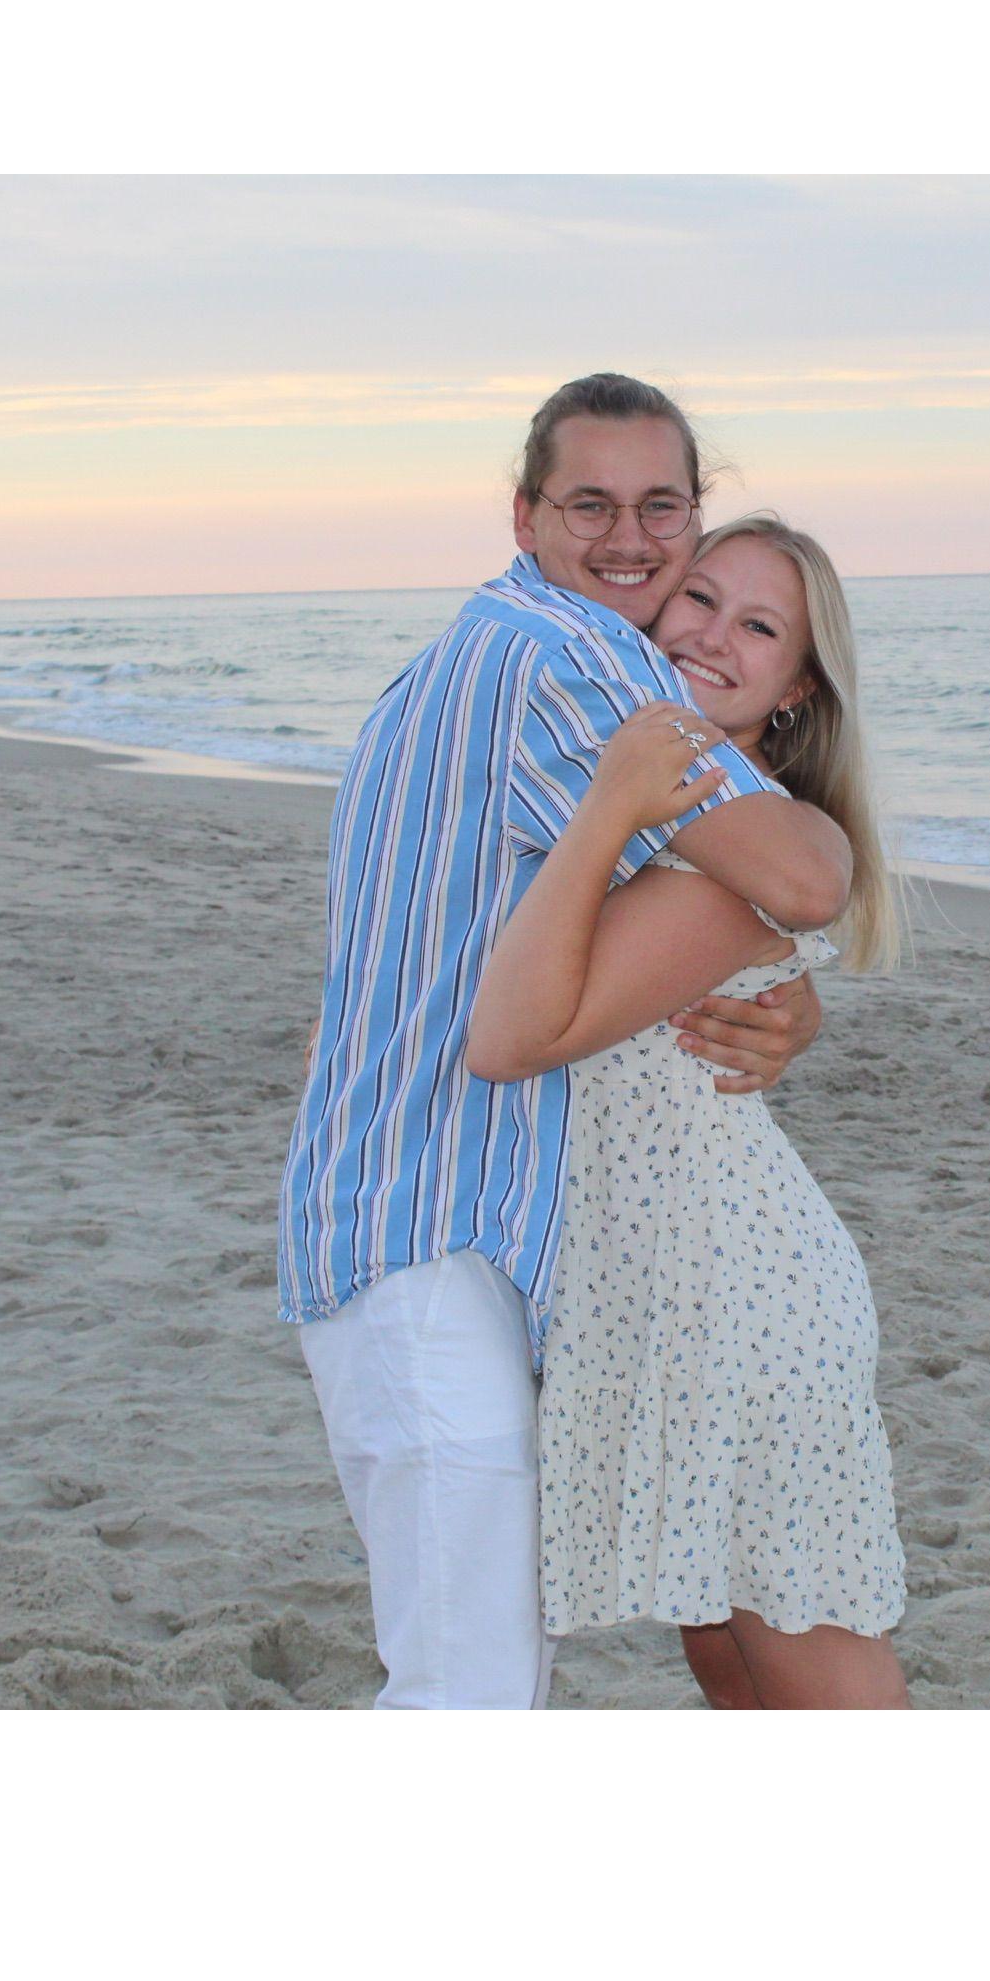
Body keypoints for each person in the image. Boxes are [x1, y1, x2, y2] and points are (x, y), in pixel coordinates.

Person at [278, 373, 850, 1710]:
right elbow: (802, 875)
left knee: (471, 1677)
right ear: (526, 514)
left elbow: (669, 930)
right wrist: (817, 857)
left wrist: (786, 995)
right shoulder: (574, 658)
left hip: (412, 1225)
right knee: (466, 1695)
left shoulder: (469, 655)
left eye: (662, 506)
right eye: (589, 503)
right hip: (431, 1236)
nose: (631, 540)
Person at [469, 515, 910, 1709]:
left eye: (758, 626)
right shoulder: (682, 830)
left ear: (798, 687)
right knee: (729, 1660)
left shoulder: (738, 852)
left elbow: (510, 1037)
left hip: (741, 1301)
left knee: (810, 1666)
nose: (712, 637)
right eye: (699, 599)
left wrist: (614, 803)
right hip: (664, 1301)